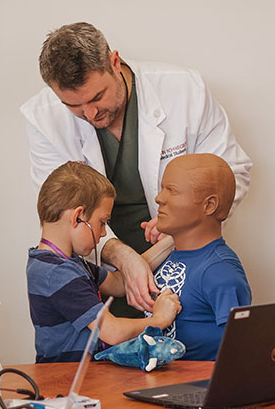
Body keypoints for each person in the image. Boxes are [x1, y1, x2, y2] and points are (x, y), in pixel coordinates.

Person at [21, 22, 252, 315]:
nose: (90, 114)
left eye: (96, 97)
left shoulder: (184, 89)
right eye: (74, 107)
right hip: (101, 266)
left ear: (114, 62)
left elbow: (231, 173)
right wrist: (124, 258)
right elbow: (59, 213)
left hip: (184, 255)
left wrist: (180, 230)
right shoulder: (41, 117)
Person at [27, 162, 181, 363]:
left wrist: (172, 241)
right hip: (65, 383)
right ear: (77, 217)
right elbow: (111, 331)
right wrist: (160, 319)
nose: (102, 234)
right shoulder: (57, 273)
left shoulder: (68, 263)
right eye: (102, 223)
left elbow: (118, 283)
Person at [150, 154, 251, 360]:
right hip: (158, 384)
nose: (159, 198)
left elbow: (241, 348)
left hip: (196, 387)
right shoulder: (167, 259)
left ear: (209, 205)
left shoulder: (219, 271)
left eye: (172, 190)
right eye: (162, 189)